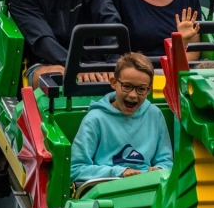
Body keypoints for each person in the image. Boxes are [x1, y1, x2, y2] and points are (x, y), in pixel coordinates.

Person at [70, 52, 173, 185]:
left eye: (141, 89)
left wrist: (160, 169)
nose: (132, 95)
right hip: (106, 187)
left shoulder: (154, 114)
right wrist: (118, 172)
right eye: (127, 86)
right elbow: (76, 169)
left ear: (149, 90)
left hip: (148, 186)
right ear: (114, 83)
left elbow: (166, 161)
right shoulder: (95, 119)